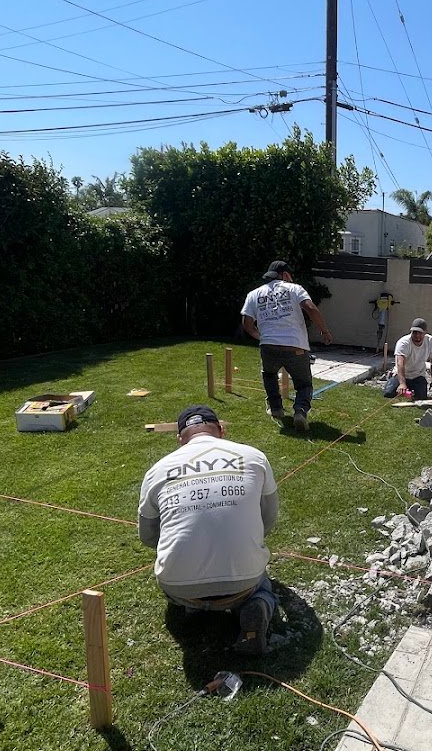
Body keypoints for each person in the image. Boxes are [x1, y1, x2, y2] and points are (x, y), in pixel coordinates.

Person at [138, 406, 278, 653]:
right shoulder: (254, 457)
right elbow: (268, 519)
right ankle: (257, 605)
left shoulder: (157, 471)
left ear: (180, 439)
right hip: (242, 584)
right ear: (221, 431)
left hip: (179, 587)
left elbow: (148, 536)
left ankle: (194, 602)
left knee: (181, 572)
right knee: (263, 583)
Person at [241, 260, 332, 432]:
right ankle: (300, 412)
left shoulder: (254, 294)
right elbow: (311, 308)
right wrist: (325, 331)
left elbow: (246, 323)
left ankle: (276, 408)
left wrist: (260, 336)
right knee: (304, 384)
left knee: (269, 375)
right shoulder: (295, 289)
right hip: (295, 346)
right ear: (285, 274)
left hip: (268, 347)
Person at [382, 318, 432, 399]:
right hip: (401, 374)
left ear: (425, 333)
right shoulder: (403, 343)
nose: (417, 336)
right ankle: (396, 383)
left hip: (418, 375)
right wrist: (402, 383)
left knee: (421, 397)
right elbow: (400, 364)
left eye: (420, 333)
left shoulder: (431, 341)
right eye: (414, 332)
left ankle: (409, 390)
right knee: (388, 393)